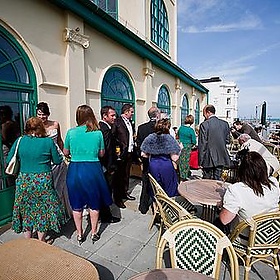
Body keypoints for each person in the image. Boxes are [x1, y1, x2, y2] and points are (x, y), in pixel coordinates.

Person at [7, 117, 65, 242]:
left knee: (26, 209)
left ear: (27, 128)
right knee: (42, 210)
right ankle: (41, 241)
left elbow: (9, 160)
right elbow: (57, 160)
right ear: (41, 128)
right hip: (43, 180)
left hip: (24, 180)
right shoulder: (48, 142)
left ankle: (28, 241)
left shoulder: (20, 141)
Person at [63, 105, 113, 244]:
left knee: (76, 204)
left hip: (75, 169)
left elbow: (65, 152)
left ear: (78, 117)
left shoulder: (71, 132)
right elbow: (102, 153)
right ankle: (94, 232)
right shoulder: (97, 133)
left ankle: (79, 234)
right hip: (93, 169)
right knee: (94, 203)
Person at [219, 151, 279, 240]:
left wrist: (223, 206)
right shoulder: (274, 184)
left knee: (217, 223)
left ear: (242, 170)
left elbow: (224, 220)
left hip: (245, 240)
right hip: (270, 239)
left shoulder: (236, 190)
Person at [36, 102, 71, 219]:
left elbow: (60, 140)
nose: (42, 117)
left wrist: (65, 154)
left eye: (44, 114)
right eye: (40, 114)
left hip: (58, 158)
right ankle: (49, 215)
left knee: (60, 186)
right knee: (49, 188)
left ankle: (62, 213)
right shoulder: (35, 126)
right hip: (44, 160)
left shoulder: (55, 124)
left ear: (48, 114)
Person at [141, 118, 181, 197]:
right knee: (169, 188)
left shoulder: (150, 137)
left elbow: (143, 154)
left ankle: (157, 204)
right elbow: (174, 158)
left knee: (156, 188)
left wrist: (152, 153)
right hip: (166, 166)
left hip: (153, 165)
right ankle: (167, 205)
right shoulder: (169, 138)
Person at [136, 106, 160, 214]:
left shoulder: (141, 128)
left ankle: (143, 206)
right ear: (157, 115)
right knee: (158, 184)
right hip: (158, 160)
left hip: (146, 158)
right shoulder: (160, 127)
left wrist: (142, 157)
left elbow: (139, 144)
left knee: (145, 182)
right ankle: (157, 206)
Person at [99, 105, 120, 222]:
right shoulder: (105, 129)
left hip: (104, 166)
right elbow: (106, 151)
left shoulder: (102, 127)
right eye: (112, 115)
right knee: (106, 190)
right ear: (104, 116)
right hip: (106, 166)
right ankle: (106, 216)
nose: (114, 117)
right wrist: (110, 167)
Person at [198, 104, 231, 180]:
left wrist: (200, 161)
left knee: (207, 181)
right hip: (221, 156)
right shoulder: (225, 124)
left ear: (208, 112)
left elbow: (202, 144)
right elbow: (227, 140)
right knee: (217, 181)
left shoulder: (204, 125)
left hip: (208, 157)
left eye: (204, 115)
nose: (204, 117)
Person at [113, 103, 136, 208]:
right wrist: (119, 148)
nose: (132, 113)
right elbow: (113, 137)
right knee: (119, 177)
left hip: (129, 152)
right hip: (121, 153)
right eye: (131, 111)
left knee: (126, 174)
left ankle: (125, 193)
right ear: (126, 112)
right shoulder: (117, 122)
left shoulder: (130, 122)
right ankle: (118, 199)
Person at [177, 114, 196, 181]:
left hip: (181, 145)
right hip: (188, 146)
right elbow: (194, 140)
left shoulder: (181, 128)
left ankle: (181, 173)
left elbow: (177, 136)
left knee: (181, 160)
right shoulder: (191, 130)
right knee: (186, 161)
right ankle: (184, 175)